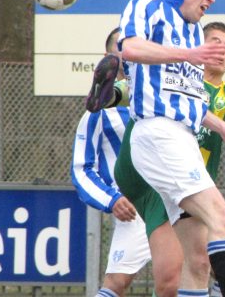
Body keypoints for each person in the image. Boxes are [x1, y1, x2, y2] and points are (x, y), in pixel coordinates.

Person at [115, 22, 225, 297]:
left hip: (192, 186)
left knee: (199, 263)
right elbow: (134, 89)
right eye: (215, 42)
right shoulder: (179, 78)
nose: (222, 51)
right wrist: (112, 93)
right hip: (159, 182)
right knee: (169, 278)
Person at [115, 0, 225, 297]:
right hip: (158, 134)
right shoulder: (148, 3)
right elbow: (129, 47)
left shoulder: (191, 32)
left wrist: (221, 127)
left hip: (180, 137)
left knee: (199, 259)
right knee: (223, 219)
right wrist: (186, 55)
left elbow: (186, 98)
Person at [71, 28, 150, 297]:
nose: (130, 56)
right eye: (122, 50)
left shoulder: (158, 99)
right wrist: (112, 199)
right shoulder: (97, 114)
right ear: (108, 59)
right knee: (116, 285)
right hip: (136, 212)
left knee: (215, 267)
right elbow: (82, 170)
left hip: (175, 201)